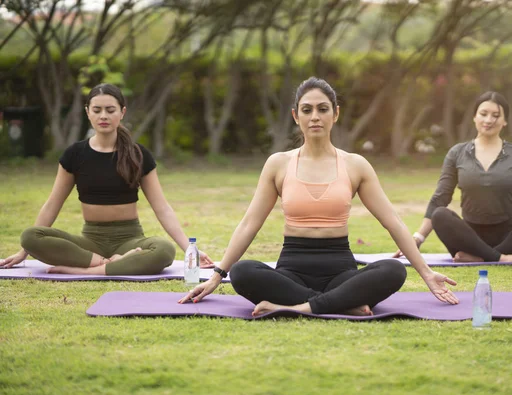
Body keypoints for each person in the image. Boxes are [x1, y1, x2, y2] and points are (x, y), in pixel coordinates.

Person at [179, 77, 459, 316]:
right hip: (292, 269)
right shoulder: (278, 164)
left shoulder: (355, 165)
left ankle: (300, 307)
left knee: (393, 270)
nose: (315, 116)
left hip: (341, 271)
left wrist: (426, 273)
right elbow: (249, 223)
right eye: (307, 110)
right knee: (242, 272)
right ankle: (342, 304)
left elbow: (393, 223)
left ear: (335, 114)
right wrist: (218, 275)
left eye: (323, 109)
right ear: (295, 116)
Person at [0, 83, 213, 274]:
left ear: (122, 113)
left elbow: (162, 208)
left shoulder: (139, 154)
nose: (103, 116)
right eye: (97, 110)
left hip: (130, 240)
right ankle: (109, 263)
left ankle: (87, 271)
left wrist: (189, 249)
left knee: (164, 250)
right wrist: (23, 252)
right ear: (87, 113)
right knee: (30, 236)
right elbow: (52, 204)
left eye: (110, 110)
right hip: (89, 242)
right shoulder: (74, 154)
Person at [395, 91, 512, 263]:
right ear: (474, 117)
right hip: (467, 239)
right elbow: (440, 198)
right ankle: (501, 258)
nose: (489, 120)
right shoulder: (457, 153)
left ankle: (481, 258)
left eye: (496, 115)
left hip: (509, 238)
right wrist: (417, 238)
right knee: (440, 214)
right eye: (483, 113)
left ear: (505, 121)